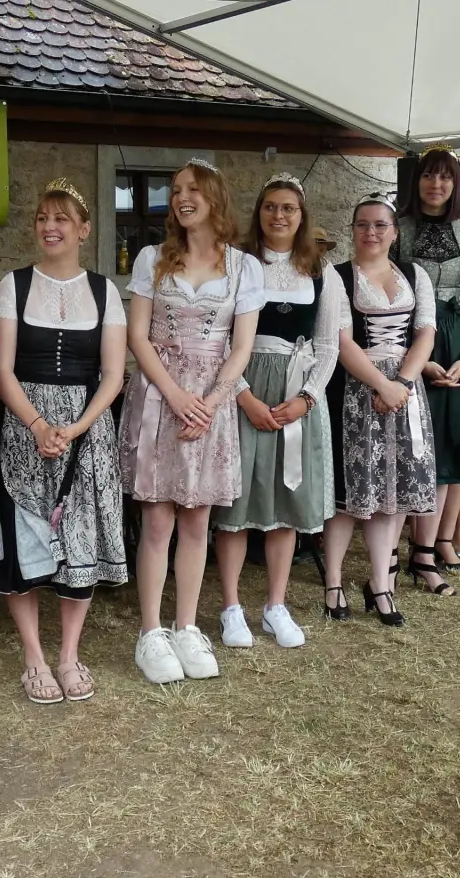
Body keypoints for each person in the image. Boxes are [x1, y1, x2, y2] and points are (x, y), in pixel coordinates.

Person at [0, 178, 127, 703]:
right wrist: (39, 425)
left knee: (79, 537)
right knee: (27, 537)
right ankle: (34, 658)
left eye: (62, 218)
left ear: (84, 229)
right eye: (43, 218)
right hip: (24, 425)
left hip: (86, 428)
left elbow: (112, 373)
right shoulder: (13, 285)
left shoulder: (105, 291)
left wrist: (79, 426)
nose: (50, 227)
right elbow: (1, 369)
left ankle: (68, 655)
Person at [121, 159, 263, 684]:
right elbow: (138, 336)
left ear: (215, 198)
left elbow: (242, 345)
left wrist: (211, 400)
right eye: (176, 190)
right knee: (158, 520)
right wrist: (177, 396)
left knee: (198, 520)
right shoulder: (152, 259)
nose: (182, 197)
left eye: (193, 190)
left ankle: (186, 627)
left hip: (212, 401)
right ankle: (151, 632)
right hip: (162, 395)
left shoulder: (245, 268)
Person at [214, 173, 345, 648]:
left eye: (288, 207)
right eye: (270, 206)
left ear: (301, 213)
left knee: (287, 504)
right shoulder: (238, 265)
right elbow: (223, 339)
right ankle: (231, 607)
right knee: (236, 502)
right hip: (243, 386)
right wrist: (243, 395)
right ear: (259, 211)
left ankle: (276, 605)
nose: (279, 215)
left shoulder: (321, 271)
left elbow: (329, 344)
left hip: (296, 391)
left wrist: (307, 399)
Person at [323, 193, 439, 615]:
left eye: (380, 225)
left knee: (394, 490)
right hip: (356, 390)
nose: (371, 232)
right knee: (350, 491)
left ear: (394, 231)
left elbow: (425, 332)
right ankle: (333, 582)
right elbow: (340, 341)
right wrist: (381, 384)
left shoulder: (415, 274)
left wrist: (404, 382)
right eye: (362, 225)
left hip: (406, 391)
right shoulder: (337, 276)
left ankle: (379, 584)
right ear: (352, 230)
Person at [395, 145, 460, 579]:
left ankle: (429, 545)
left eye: (445, 177)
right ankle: (401, 546)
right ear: (417, 182)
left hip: (456, 346)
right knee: (410, 446)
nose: (436, 184)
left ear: (456, 183)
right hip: (407, 341)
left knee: (450, 445)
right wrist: (420, 359)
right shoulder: (397, 228)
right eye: (429, 176)